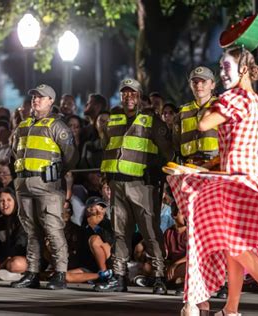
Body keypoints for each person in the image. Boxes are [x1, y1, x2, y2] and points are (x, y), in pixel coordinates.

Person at [198, 46, 258, 315]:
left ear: (242, 69)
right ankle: (231, 308)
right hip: (251, 179)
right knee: (235, 248)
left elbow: (203, 125)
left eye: (225, 67)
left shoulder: (234, 100)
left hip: (236, 182)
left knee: (234, 244)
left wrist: (213, 103)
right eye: (220, 67)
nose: (221, 73)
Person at [95, 78, 173, 295]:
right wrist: (105, 179)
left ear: (140, 96)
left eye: (133, 93)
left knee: (150, 232)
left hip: (143, 185)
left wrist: (158, 176)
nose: (129, 97)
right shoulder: (114, 118)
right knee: (120, 232)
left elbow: (168, 152)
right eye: (125, 93)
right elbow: (108, 150)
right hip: (117, 183)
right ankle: (119, 277)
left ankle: (159, 277)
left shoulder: (151, 120)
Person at [11, 84, 79, 290]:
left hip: (48, 185)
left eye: (41, 97)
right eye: (34, 97)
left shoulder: (58, 126)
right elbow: (14, 151)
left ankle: (60, 273)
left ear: (51, 101)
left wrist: (56, 171)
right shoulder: (23, 125)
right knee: (31, 232)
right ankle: (32, 273)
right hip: (24, 184)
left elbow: (71, 156)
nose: (36, 100)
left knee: (53, 228)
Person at [173, 66, 219, 164]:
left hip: (215, 165)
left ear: (213, 85)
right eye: (195, 82)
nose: (199, 85)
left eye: (204, 82)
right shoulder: (182, 112)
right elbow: (176, 142)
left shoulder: (221, 107)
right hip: (189, 165)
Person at [66, 197, 114, 284]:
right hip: (91, 266)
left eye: (102, 208)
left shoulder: (107, 223)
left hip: (108, 260)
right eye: (96, 207)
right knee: (65, 276)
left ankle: (104, 271)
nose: (99, 210)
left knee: (94, 239)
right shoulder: (83, 227)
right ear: (88, 209)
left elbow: (110, 241)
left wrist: (95, 226)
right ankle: (102, 276)